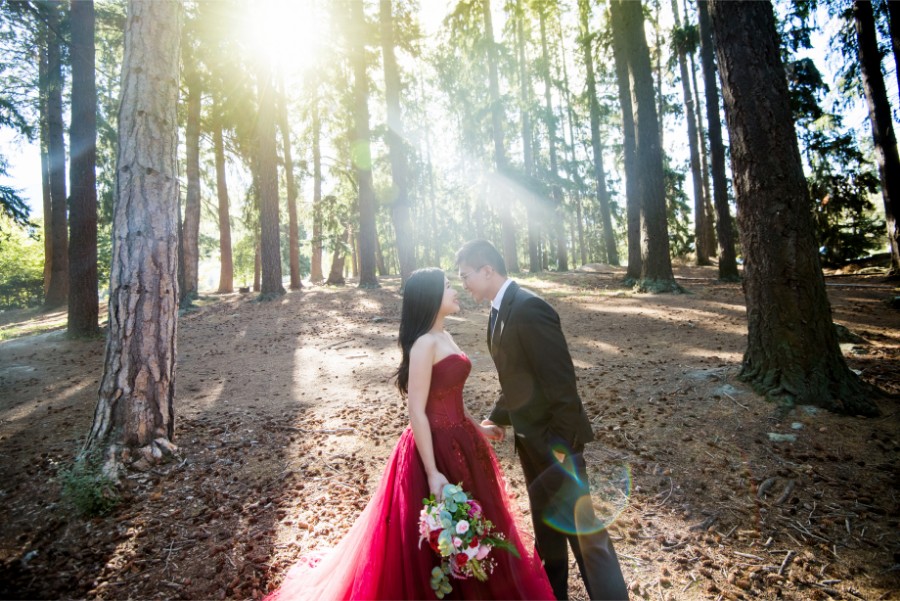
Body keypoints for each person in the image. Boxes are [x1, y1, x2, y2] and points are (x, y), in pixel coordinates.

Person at [264, 267, 554, 600]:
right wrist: (432, 473)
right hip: (433, 448)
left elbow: (452, 398)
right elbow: (417, 410)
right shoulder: (424, 345)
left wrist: (480, 429)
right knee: (439, 536)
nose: (456, 290)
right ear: (430, 297)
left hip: (464, 442)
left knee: (475, 525)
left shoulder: (445, 335)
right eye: (447, 287)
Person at [456, 240, 629, 601]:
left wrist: (561, 448)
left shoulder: (530, 308)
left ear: (487, 270)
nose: (464, 284)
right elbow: (519, 380)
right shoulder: (497, 309)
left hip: (556, 446)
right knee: (548, 532)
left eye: (466, 276)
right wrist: (496, 418)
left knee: (585, 537)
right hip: (531, 443)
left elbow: (562, 386)